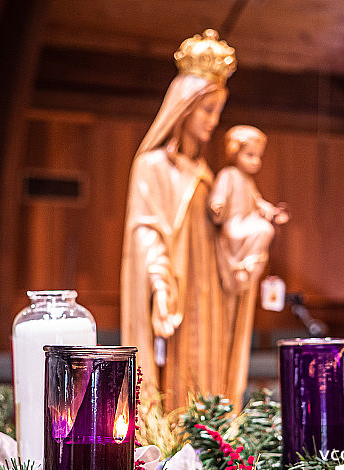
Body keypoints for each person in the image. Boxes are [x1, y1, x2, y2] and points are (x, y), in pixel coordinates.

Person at [120, 29, 237, 409]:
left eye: (218, 112)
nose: (213, 121)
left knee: (206, 373)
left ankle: (207, 433)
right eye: (207, 110)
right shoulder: (151, 165)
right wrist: (159, 280)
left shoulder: (204, 172)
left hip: (207, 293)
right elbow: (144, 230)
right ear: (184, 108)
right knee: (172, 376)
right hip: (174, 286)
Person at [210, 125, 288, 405]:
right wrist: (217, 206)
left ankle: (248, 266)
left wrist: (272, 213)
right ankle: (242, 266)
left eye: (258, 156)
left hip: (246, 228)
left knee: (264, 229)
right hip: (234, 230)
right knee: (261, 230)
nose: (256, 161)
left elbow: (260, 204)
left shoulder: (247, 182)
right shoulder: (229, 175)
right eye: (250, 155)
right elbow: (218, 199)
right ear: (235, 154)